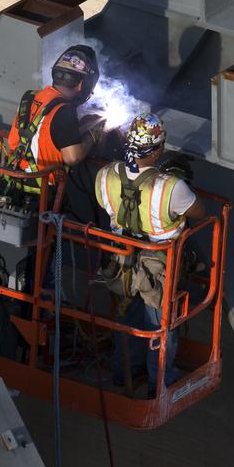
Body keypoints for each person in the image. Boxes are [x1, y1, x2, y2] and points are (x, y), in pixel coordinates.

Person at [94, 112, 208, 396]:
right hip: (159, 268)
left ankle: (123, 372)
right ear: (158, 149)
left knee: (126, 318)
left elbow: (105, 203)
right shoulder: (172, 187)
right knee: (160, 326)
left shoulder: (106, 174)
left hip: (121, 262)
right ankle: (161, 382)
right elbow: (200, 212)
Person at [4, 45, 105, 201]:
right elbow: (72, 158)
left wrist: (80, 126)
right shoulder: (64, 112)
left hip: (11, 177)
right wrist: (92, 135)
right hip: (40, 192)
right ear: (81, 84)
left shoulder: (30, 97)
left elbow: (45, 131)